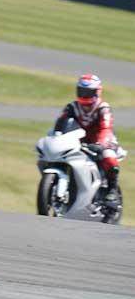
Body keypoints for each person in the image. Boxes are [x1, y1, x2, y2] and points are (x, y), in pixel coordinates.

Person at [54, 73, 121, 204]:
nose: (84, 95)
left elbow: (106, 128)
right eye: (82, 91)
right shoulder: (72, 107)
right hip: (79, 141)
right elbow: (61, 122)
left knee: (109, 157)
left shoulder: (103, 108)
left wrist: (101, 144)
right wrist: (56, 136)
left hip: (103, 141)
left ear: (97, 92)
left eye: (88, 92)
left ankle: (112, 189)